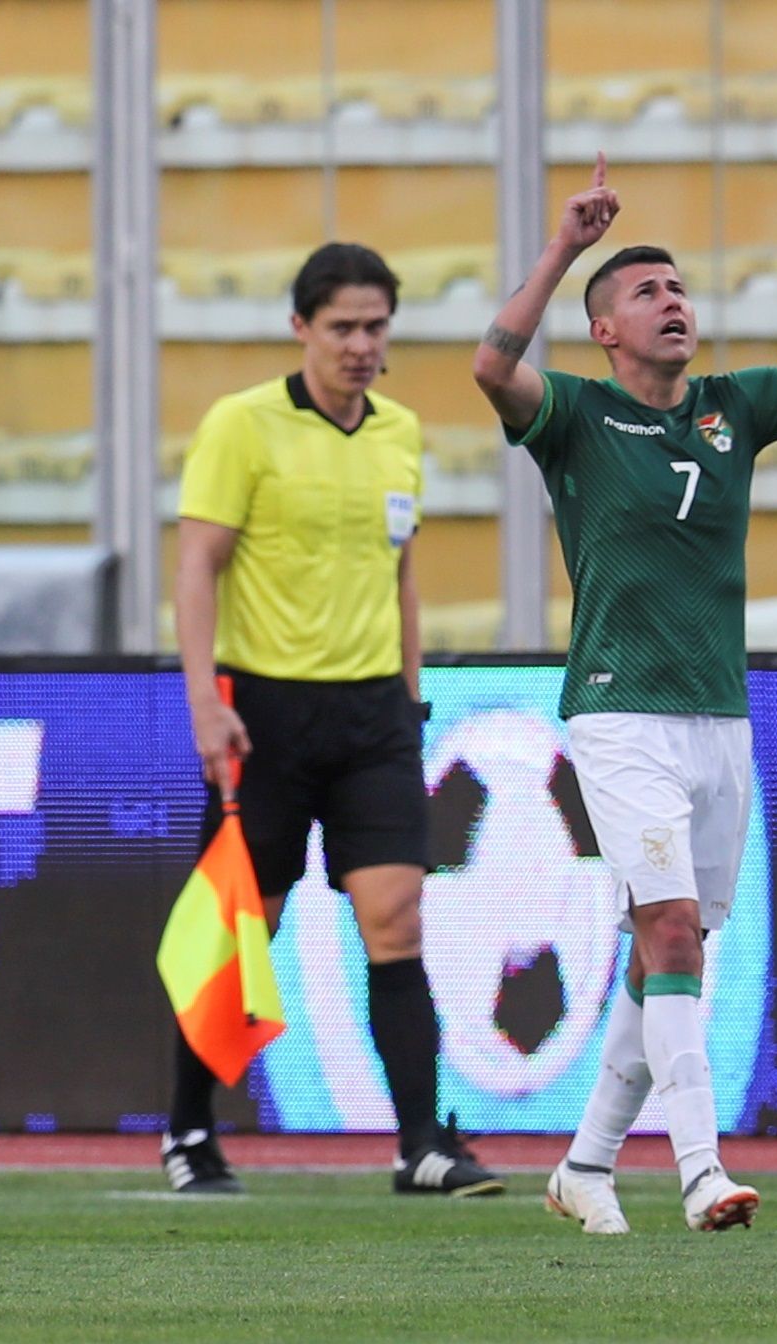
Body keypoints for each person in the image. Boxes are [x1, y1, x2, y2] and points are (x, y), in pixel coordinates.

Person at [472, 150, 777, 1233]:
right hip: (618, 710)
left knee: (673, 949)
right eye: (647, 293)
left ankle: (586, 1165)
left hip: (720, 717)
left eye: (679, 289)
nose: (673, 303)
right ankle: (703, 1171)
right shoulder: (573, 417)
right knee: (666, 930)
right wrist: (567, 245)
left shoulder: (734, 409)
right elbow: (491, 363)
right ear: (605, 330)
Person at [164, 242, 502, 1199]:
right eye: (344, 326)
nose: (361, 345)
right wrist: (205, 703)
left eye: (376, 327)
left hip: (370, 716)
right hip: (263, 710)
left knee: (396, 915)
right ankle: (189, 1129)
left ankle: (421, 1145)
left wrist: (408, 694)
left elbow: (399, 572)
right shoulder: (242, 426)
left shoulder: (399, 431)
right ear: (301, 327)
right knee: (246, 926)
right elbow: (199, 568)